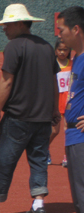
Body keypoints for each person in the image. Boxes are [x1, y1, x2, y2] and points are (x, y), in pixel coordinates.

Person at [0, 4, 60, 213]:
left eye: (7, 24)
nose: (4, 29)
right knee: (39, 159)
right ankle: (38, 204)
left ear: (20, 23)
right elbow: (54, 83)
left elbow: (6, 81)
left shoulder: (14, 47)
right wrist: (54, 110)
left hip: (18, 115)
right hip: (43, 117)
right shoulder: (47, 47)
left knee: (4, 160)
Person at [56, 6, 84, 213]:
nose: (59, 35)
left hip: (82, 136)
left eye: (62, 29)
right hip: (73, 133)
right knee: (78, 193)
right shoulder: (78, 57)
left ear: (76, 29)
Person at [48, 38, 72, 167]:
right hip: (56, 102)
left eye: (65, 49)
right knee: (54, 130)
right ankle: (45, 149)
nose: (62, 52)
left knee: (68, 130)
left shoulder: (72, 64)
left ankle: (66, 156)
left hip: (69, 102)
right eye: (60, 49)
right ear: (55, 51)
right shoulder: (52, 65)